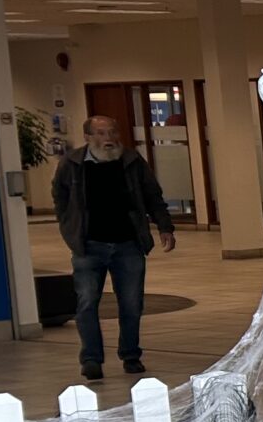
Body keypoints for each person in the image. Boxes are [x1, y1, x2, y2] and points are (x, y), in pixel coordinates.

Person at [52, 115, 175, 382]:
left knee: (131, 304)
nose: (108, 138)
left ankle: (131, 355)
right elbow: (60, 198)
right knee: (86, 303)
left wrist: (165, 226)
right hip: (88, 246)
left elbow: (153, 194)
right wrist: (69, 229)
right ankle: (91, 359)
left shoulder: (131, 161)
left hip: (128, 244)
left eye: (111, 132)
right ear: (88, 137)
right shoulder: (71, 164)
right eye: (100, 133)